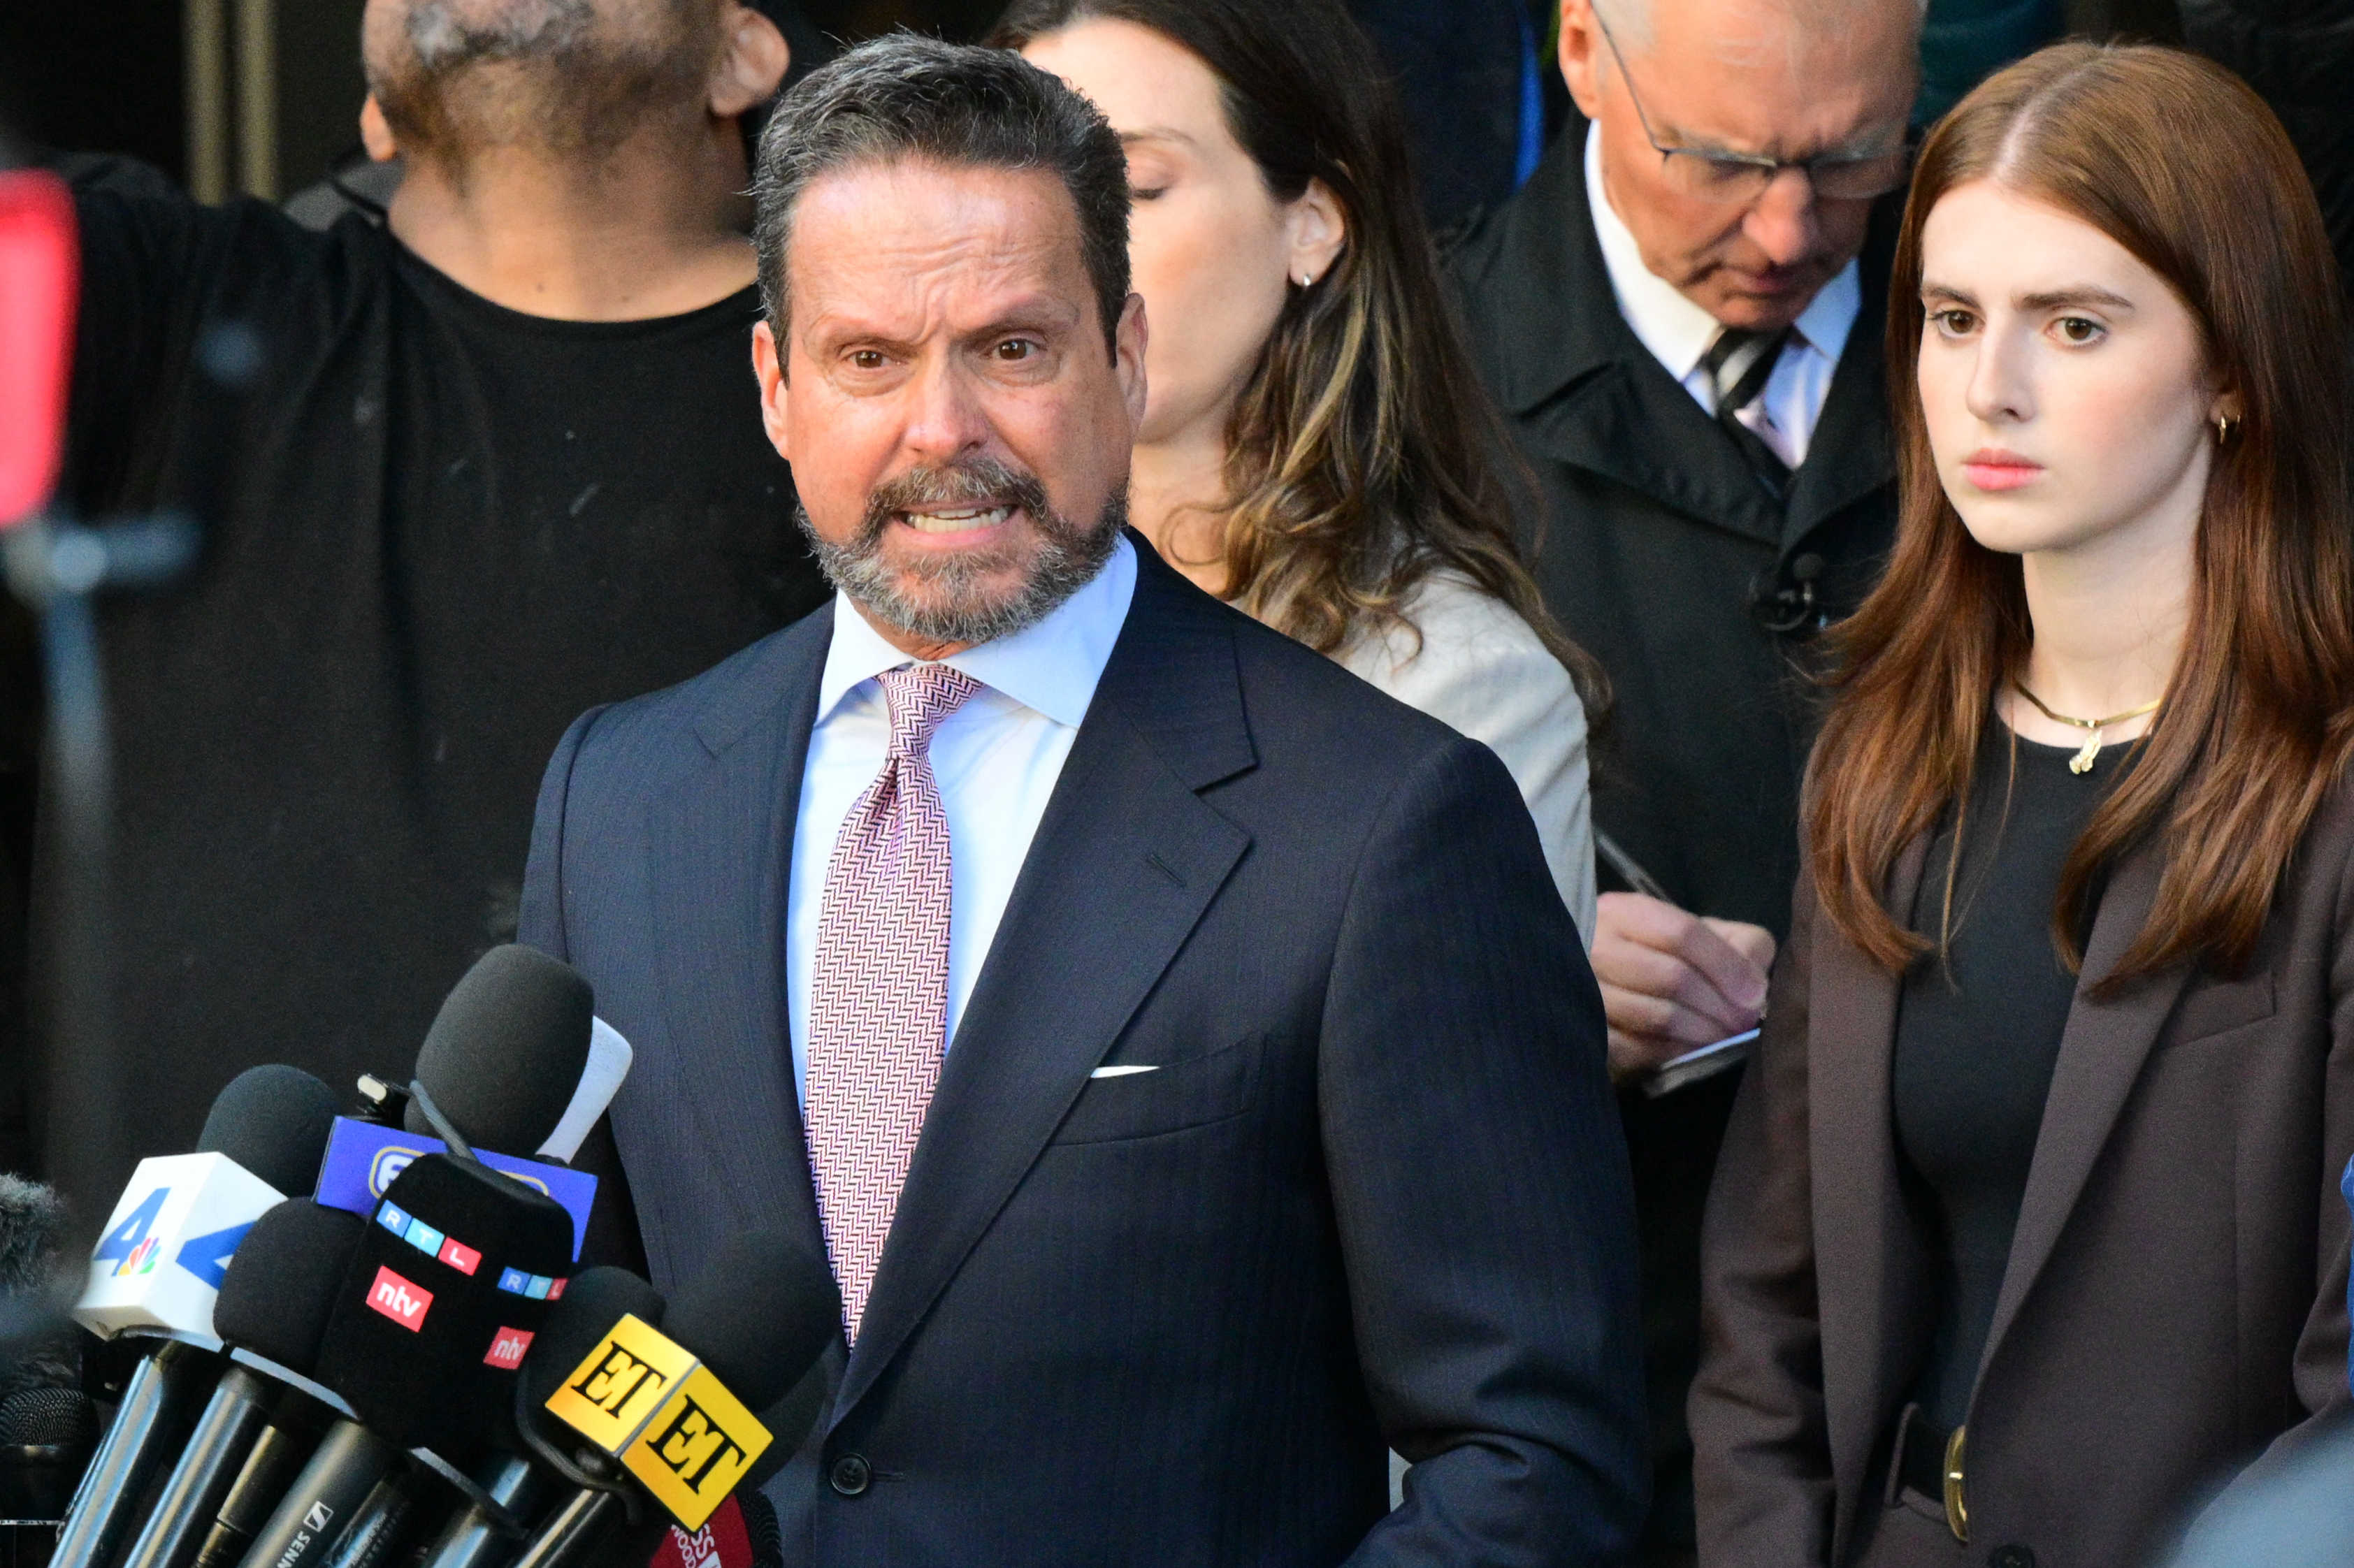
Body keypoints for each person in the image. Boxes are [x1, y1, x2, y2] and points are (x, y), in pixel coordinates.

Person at [519, 36, 1648, 1562]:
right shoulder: (623, 797)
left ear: (1120, 359)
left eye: (1011, 349)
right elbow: (576, 1340)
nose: (942, 430)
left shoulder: (1382, 824)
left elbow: (1530, 1456)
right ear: (776, 386)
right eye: (868, 359)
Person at [1693, 42, 2354, 1568]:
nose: (1988, 385)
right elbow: (1768, 1313)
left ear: (2236, 367)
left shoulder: (2323, 797)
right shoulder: (1879, 761)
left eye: (2074, 323)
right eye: (1949, 317)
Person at [21, 0, 833, 1217]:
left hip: (650, 1379)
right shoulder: (161, 306)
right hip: (140, 1390)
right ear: (375, 102)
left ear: (742, 53)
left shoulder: (880, 406)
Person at [1443, 0, 1920, 1553]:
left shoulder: (2026, 316)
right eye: (1716, 159)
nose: (1787, 230)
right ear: (1581, 51)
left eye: (1852, 157)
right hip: (1592, 1348)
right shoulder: (1406, 388)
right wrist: (1497, 970)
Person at [997, 0, 1606, 938]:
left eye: (1138, 187)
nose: (1061, 253)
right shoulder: (932, 609)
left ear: (1313, 225)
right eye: (1025, 194)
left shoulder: (1446, 692)